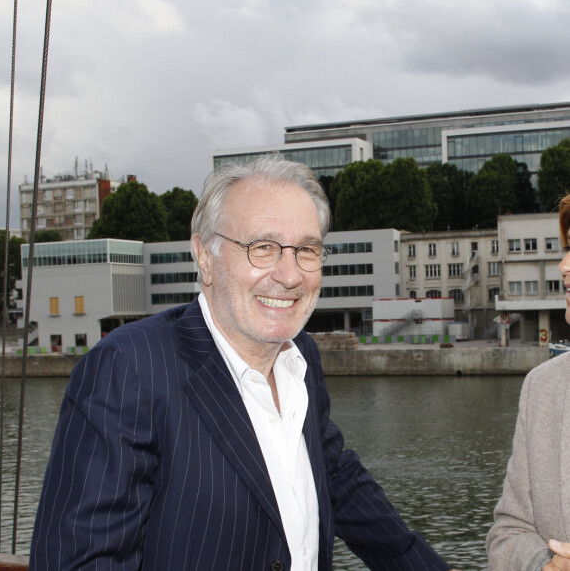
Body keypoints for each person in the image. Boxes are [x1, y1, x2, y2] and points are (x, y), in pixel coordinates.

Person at [30, 154, 457, 570]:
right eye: (263, 247)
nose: (290, 275)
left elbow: (335, 476)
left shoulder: (300, 356)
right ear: (205, 255)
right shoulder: (128, 369)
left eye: (306, 250)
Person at [486, 193, 570, 571]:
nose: (563, 265)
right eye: (567, 249)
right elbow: (508, 531)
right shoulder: (544, 387)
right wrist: (541, 564)